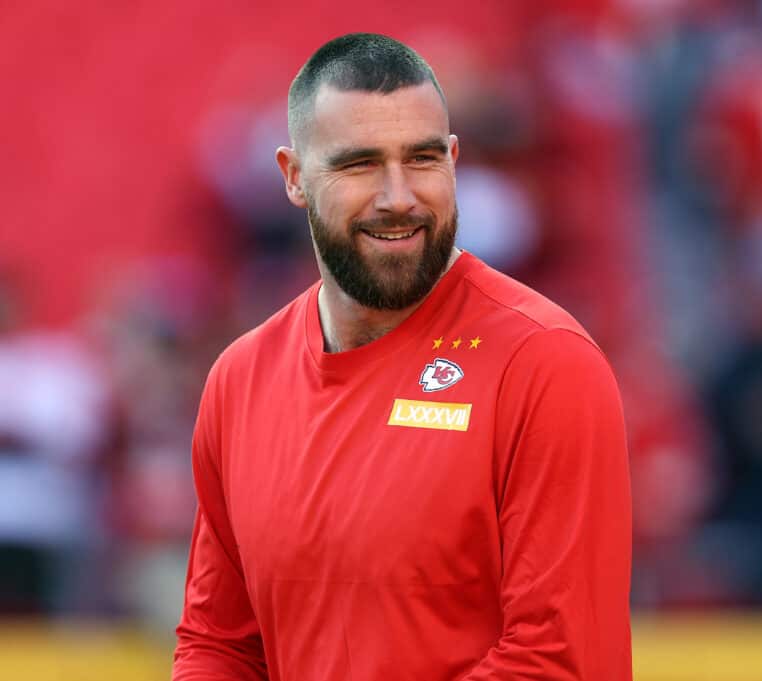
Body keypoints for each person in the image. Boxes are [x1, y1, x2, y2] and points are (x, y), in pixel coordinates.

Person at [172, 33, 633, 680]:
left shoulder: (545, 365)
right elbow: (218, 644)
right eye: (360, 164)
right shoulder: (240, 380)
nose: (398, 197)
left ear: (454, 158)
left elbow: (559, 660)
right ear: (294, 176)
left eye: (421, 159)